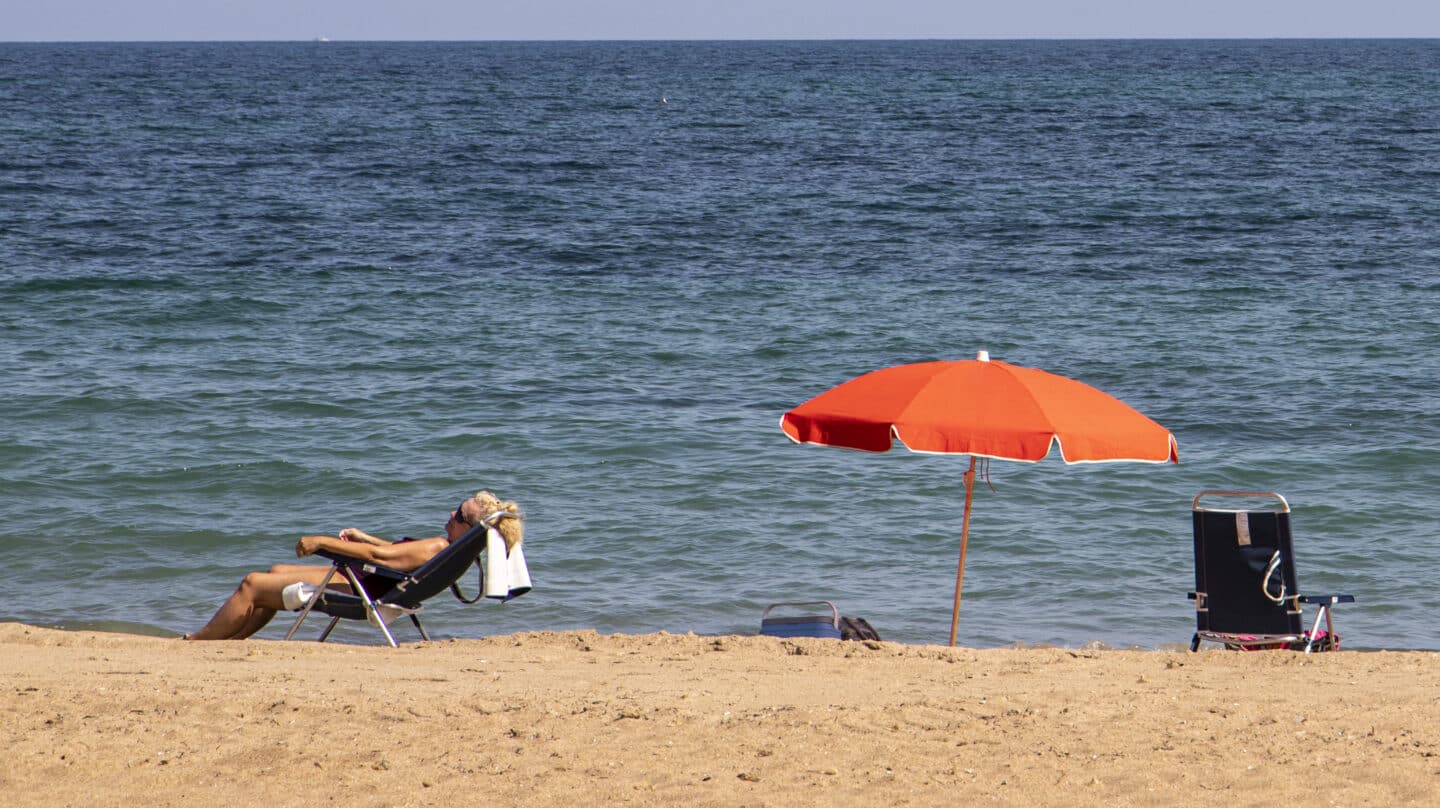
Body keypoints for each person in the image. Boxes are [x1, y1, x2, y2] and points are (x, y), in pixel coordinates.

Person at [184, 490, 522, 641]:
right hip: (371, 584)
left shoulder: (437, 546)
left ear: (467, 528)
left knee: (252, 584)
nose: (451, 515)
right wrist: (364, 536)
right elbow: (391, 552)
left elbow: (378, 559)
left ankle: (200, 640)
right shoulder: (448, 549)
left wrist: (321, 543)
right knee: (274, 573)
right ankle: (229, 637)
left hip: (363, 592)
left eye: (459, 515)